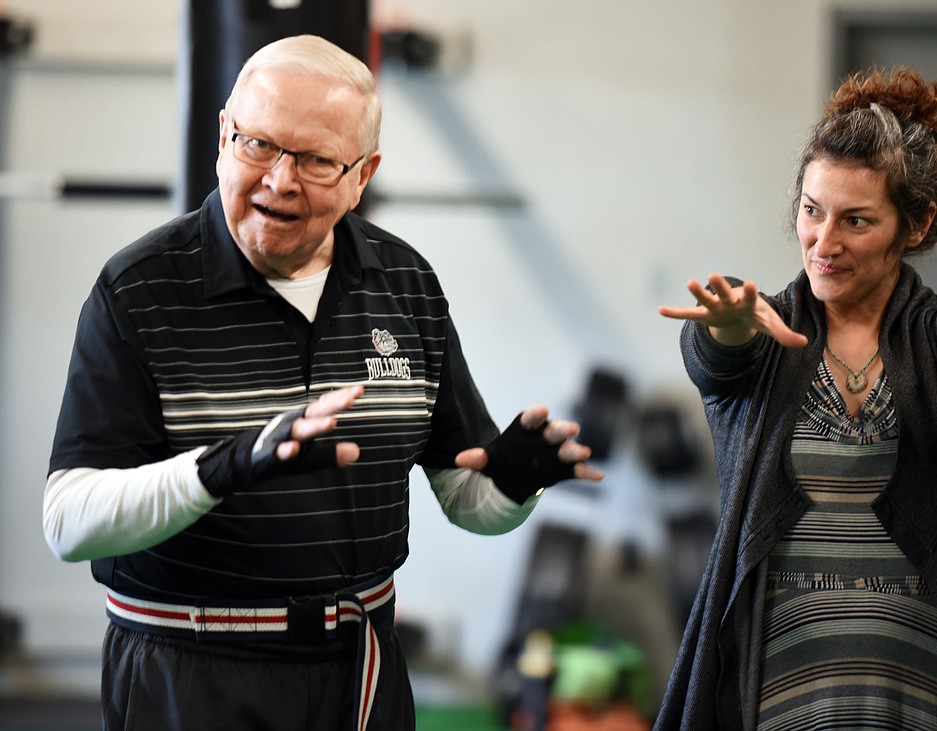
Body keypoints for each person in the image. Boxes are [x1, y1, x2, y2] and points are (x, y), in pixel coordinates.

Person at [42, 34, 602, 731]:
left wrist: (517, 486)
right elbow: (68, 523)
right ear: (222, 136)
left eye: (314, 159)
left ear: (362, 173)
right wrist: (223, 468)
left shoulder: (406, 283)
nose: (280, 179)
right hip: (189, 671)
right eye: (258, 145)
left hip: (358, 670)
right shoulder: (138, 290)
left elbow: (467, 497)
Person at [655, 67, 937, 730]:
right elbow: (719, 358)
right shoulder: (765, 329)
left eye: (856, 220)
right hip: (774, 694)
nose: (823, 242)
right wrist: (724, 327)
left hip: (920, 692)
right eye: (812, 210)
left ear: (916, 225)